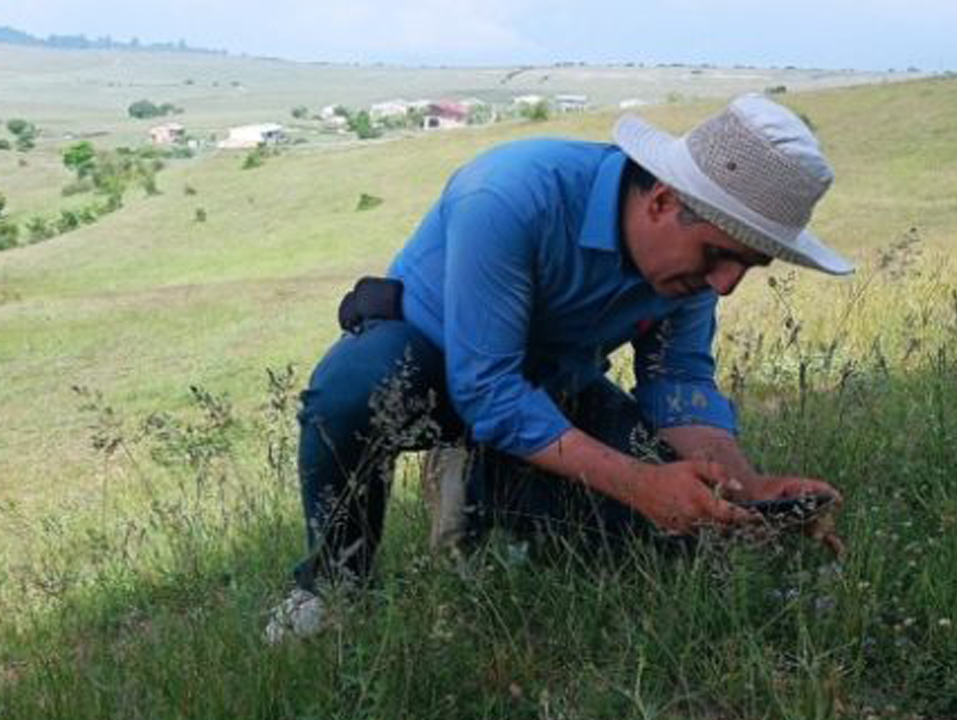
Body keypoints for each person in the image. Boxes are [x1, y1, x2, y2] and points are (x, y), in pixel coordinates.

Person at [265, 93, 853, 643]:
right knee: (349, 394)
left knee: (672, 543)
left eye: (747, 266)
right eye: (720, 256)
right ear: (663, 201)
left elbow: (677, 384)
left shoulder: (691, 273)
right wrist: (639, 484)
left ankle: (482, 490)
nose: (725, 285)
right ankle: (334, 588)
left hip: (552, 388)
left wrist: (748, 491)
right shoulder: (509, 194)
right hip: (429, 361)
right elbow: (487, 388)